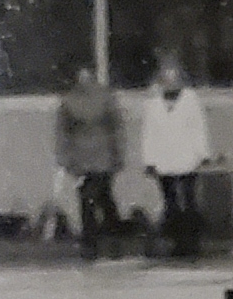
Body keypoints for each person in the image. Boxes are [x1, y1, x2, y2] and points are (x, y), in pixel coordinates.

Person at [141, 51, 213, 259]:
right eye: (166, 78)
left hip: (187, 158)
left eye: (174, 78)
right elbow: (149, 133)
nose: (170, 83)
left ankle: (191, 243)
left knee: (188, 201)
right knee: (170, 202)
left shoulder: (191, 100)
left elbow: (199, 128)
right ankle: (174, 243)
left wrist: (202, 153)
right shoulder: (153, 103)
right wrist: (149, 159)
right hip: (164, 160)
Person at [52, 63, 129, 258]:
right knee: (86, 199)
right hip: (81, 158)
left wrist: (118, 154)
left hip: (103, 156)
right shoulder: (69, 101)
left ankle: (112, 240)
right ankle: (91, 242)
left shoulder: (106, 98)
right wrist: (65, 157)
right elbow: (63, 132)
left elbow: (117, 127)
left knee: (104, 197)